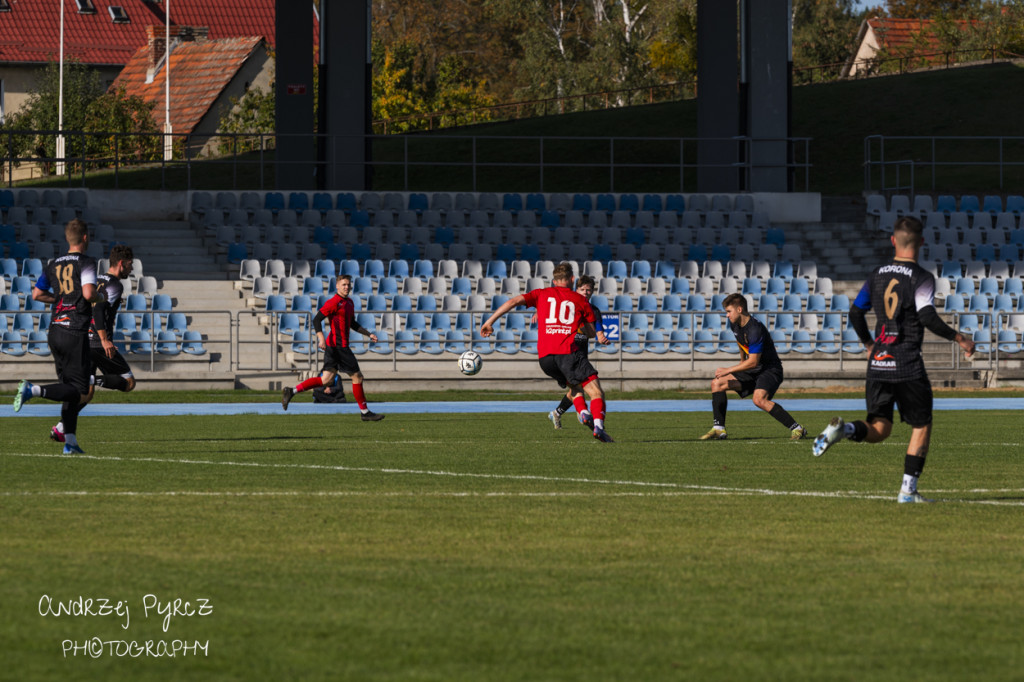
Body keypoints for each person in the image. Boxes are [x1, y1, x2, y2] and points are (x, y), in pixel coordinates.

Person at [812, 215, 975, 503]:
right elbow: (926, 317)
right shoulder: (922, 277)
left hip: (878, 362)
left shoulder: (876, 274)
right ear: (921, 242)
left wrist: (867, 344)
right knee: (921, 424)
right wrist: (960, 338)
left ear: (892, 241)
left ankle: (844, 430)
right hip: (907, 362)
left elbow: (855, 312)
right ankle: (908, 491)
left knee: (880, 428)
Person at [481, 262, 613, 442]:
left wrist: (489, 322)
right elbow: (591, 333)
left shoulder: (541, 294)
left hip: (545, 360)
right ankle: (598, 427)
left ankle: (582, 411)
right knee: (596, 392)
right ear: (572, 279)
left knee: (575, 386)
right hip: (567, 352)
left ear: (553, 280)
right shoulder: (580, 300)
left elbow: (513, 301)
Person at [13, 219, 101, 454]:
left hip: (55, 330)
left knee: (68, 389)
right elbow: (88, 293)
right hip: (75, 331)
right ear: (85, 238)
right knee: (81, 392)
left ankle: (70, 443)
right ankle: (33, 390)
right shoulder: (87, 262)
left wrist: (60, 301)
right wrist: (99, 298)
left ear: (67, 239)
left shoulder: (53, 264)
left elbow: (37, 293)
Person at [49, 245, 137, 444]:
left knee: (85, 394)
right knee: (129, 383)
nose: (131, 270)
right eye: (130, 265)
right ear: (121, 263)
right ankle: (95, 380)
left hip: (82, 341)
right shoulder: (115, 285)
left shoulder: (94, 280)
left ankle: (60, 429)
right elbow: (99, 310)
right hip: (98, 343)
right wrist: (105, 339)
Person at [700, 292, 806, 441]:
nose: (727, 315)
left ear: (739, 309)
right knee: (717, 383)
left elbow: (754, 361)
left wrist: (730, 369)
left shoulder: (755, 329)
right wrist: (741, 363)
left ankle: (797, 429)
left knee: (759, 400)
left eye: (729, 311)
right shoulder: (734, 324)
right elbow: (741, 344)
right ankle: (719, 429)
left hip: (770, 370)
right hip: (752, 370)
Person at [281, 274, 383, 420]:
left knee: (326, 380)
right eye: (344, 285)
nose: (347, 287)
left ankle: (292, 391)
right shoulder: (333, 302)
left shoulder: (349, 303)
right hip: (338, 347)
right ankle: (365, 413)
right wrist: (321, 338)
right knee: (357, 377)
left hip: (334, 347)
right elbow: (317, 320)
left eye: (348, 284)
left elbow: (352, 323)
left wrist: (368, 334)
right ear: (337, 286)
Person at [547, 274, 608, 430]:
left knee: (577, 388)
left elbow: (599, 330)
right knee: (578, 387)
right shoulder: (568, 306)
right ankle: (582, 412)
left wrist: (601, 337)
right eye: (583, 289)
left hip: (581, 354)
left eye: (589, 290)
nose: (586, 292)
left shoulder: (594, 310)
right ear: (577, 289)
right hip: (565, 353)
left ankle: (558, 412)